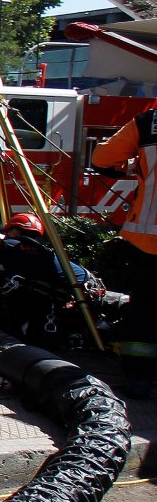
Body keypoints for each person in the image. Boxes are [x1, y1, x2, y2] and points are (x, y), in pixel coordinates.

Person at [92, 114, 157, 397]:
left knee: (144, 313)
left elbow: (102, 159)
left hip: (150, 241)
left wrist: (134, 166)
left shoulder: (149, 123)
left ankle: (139, 382)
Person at [0, 213, 87, 347]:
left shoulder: (7, 244)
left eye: (8, 232)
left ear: (14, 231)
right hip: (58, 302)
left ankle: (2, 322)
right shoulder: (47, 251)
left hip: (31, 301)